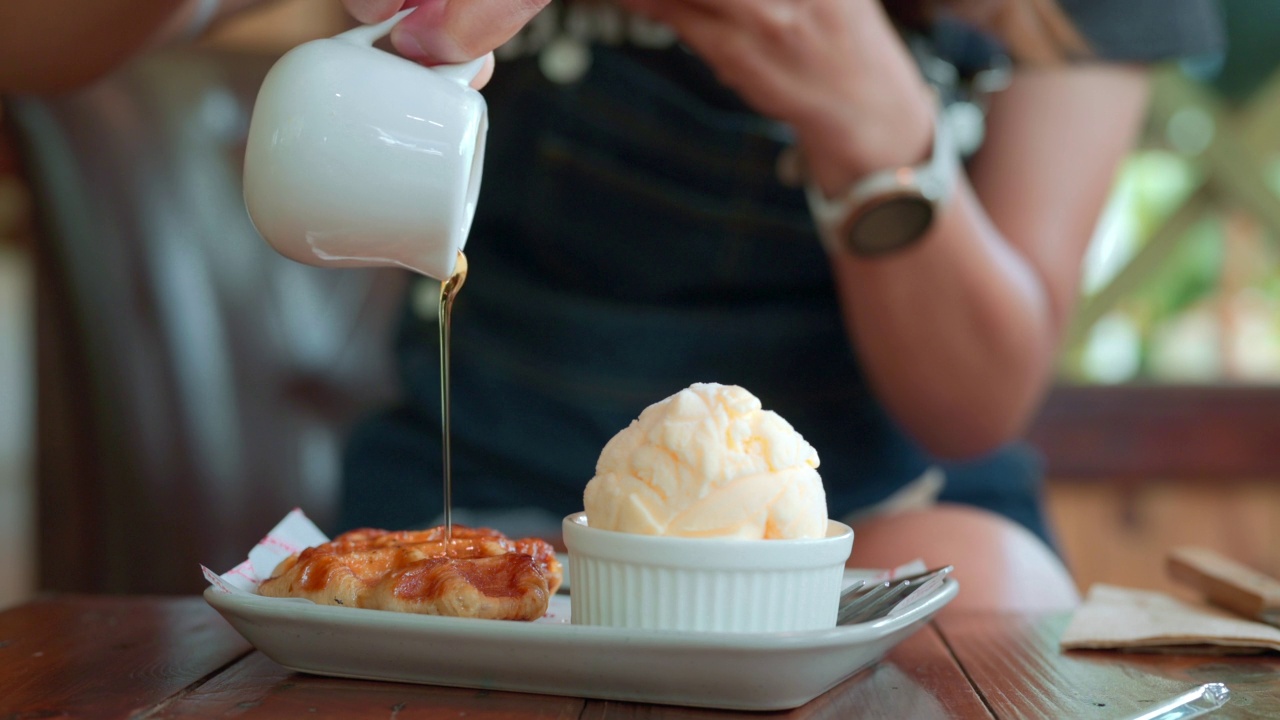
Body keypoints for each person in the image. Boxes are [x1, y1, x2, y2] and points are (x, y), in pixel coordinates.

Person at [2, 0, 1223, 613]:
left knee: (990, 586)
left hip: (874, 518)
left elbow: (976, 400)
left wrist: (868, 117)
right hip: (478, 505)